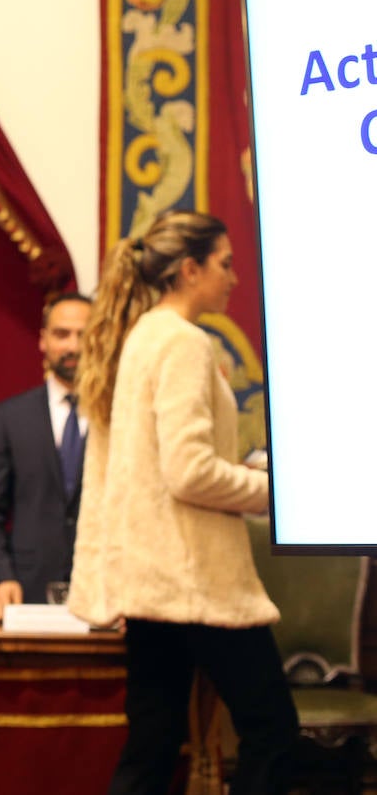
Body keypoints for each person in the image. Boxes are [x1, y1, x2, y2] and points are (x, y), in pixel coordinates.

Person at [67, 211, 298, 793]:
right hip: (195, 579)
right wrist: (278, 493)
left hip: (151, 578)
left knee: (151, 745)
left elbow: (151, 469)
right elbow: (189, 473)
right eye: (225, 264)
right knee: (272, 730)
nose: (234, 278)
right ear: (189, 269)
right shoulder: (184, 342)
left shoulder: (141, 336)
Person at [0, 291, 91, 620]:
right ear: (44, 341)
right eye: (61, 334)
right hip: (26, 593)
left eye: (84, 335)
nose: (73, 347)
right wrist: (1, 577)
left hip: (104, 595)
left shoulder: (121, 417)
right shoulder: (12, 417)